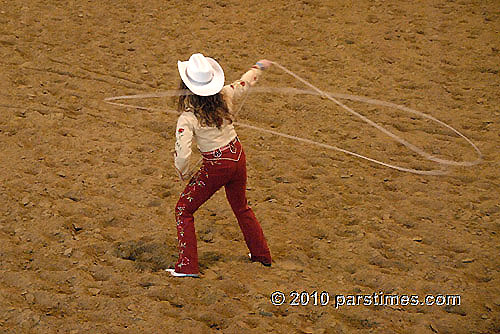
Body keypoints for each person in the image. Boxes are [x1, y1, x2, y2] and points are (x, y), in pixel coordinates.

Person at [165, 53, 272, 278]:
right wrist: (258, 68)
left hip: (216, 165)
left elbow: (183, 154)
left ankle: (187, 266)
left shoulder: (187, 117)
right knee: (241, 206)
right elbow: (244, 83)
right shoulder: (225, 94)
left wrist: (183, 173)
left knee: (183, 209)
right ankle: (261, 254)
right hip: (237, 155)